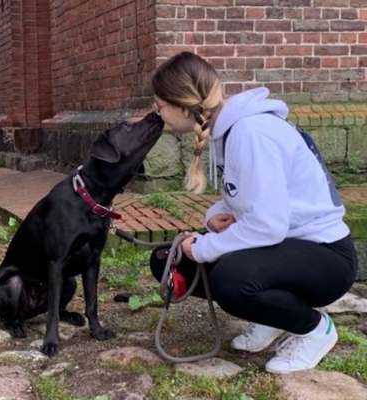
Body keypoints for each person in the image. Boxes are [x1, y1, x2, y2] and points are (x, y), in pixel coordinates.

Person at [149, 51, 358, 374]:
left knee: (231, 280)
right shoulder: (229, 131)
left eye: (160, 104)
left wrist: (204, 248)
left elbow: (268, 226)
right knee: (169, 259)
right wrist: (211, 220)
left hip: (326, 257)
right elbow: (242, 201)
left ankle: (315, 329)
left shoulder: (251, 134)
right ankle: (272, 317)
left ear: (182, 103)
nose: (157, 111)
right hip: (284, 248)